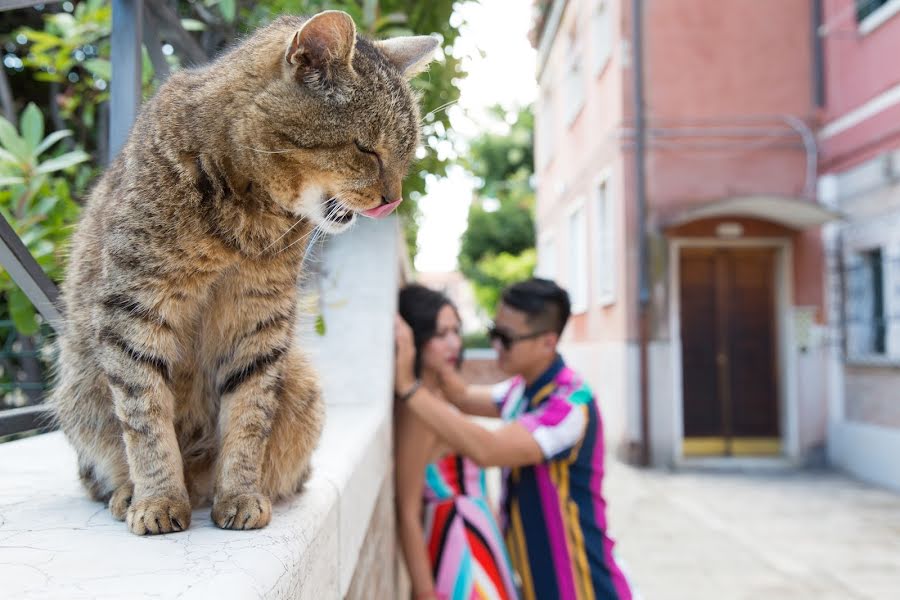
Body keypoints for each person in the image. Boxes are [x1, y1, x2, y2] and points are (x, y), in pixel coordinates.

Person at [394, 278, 632, 600]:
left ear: (548, 342)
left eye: (506, 338)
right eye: (494, 332)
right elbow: (462, 397)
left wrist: (409, 387)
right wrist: (425, 356)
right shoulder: (521, 391)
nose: (495, 345)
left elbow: (487, 449)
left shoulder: (569, 405)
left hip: (582, 585)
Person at [395, 284, 519, 600]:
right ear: (418, 340)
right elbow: (407, 511)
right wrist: (425, 592)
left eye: (456, 330)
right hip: (456, 547)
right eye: (441, 334)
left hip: (479, 540)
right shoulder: (419, 413)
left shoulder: (437, 399)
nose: (454, 343)